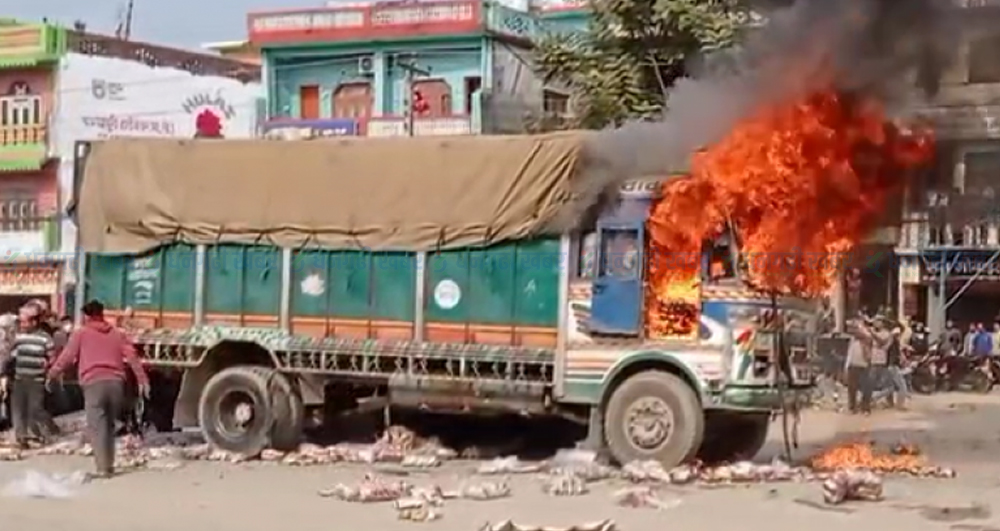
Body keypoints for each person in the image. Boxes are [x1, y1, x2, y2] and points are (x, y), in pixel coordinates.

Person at [46, 300, 149, 478]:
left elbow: (67, 357)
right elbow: (132, 357)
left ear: (86, 316)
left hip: (93, 384)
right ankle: (109, 464)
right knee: (109, 425)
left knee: (97, 426)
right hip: (116, 384)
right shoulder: (117, 334)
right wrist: (142, 380)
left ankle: (103, 468)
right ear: (102, 313)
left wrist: (52, 374)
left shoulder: (81, 334)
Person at [0, 304, 55, 448]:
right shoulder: (18, 337)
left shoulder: (45, 338)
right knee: (17, 409)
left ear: (34, 322)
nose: (22, 325)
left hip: (36, 380)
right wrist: (4, 371)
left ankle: (45, 431)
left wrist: (49, 367)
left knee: (35, 409)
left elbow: (52, 357)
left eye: (25, 322)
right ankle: (21, 438)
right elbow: (9, 355)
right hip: (19, 379)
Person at [844, 320, 872, 414]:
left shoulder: (866, 337)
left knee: (866, 388)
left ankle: (865, 407)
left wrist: (858, 326)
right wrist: (847, 366)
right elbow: (849, 353)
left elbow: (864, 335)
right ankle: (852, 407)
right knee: (852, 388)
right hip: (853, 365)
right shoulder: (852, 340)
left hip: (863, 365)